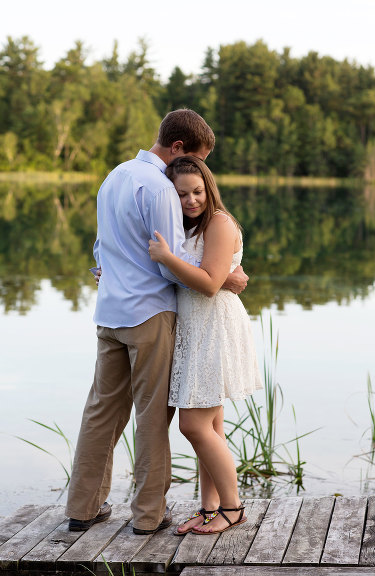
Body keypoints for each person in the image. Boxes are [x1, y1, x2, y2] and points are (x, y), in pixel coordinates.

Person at [66, 109, 248, 535]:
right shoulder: (162, 187)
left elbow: (100, 248)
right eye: (196, 159)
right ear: (178, 148)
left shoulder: (114, 176)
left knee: (100, 413)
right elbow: (172, 263)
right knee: (152, 418)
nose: (196, 173)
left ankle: (82, 509)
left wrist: (107, 270)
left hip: (109, 313)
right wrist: (228, 277)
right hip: (150, 316)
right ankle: (147, 517)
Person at [148, 155, 262, 535]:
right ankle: (210, 508)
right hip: (194, 326)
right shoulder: (185, 227)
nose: (191, 200)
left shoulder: (219, 222)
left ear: (208, 187)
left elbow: (212, 283)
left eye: (197, 191)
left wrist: (166, 257)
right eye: (181, 194)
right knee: (211, 425)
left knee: (193, 425)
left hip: (214, 327)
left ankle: (233, 508)